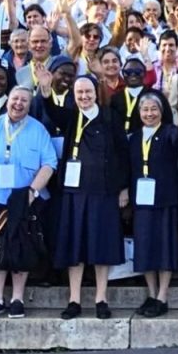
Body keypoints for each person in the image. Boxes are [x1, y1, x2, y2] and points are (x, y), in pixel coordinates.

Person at [0, 86, 57, 319]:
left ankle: (17, 298)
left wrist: (33, 190)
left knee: (20, 247)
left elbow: (49, 164)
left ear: (29, 105)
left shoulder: (38, 130)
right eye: (15, 99)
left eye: (24, 100)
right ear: (7, 102)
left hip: (23, 198)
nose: (18, 103)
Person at [54, 75, 127, 319]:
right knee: (75, 244)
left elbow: (123, 153)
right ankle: (74, 299)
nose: (84, 97)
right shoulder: (71, 117)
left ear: (96, 93)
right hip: (75, 191)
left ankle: (101, 298)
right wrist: (44, 89)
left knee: (101, 244)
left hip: (104, 191)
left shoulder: (109, 117)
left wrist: (124, 187)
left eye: (88, 92)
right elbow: (50, 110)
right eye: (79, 93)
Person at [128, 89, 178, 317]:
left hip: (165, 198)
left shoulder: (169, 131)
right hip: (142, 200)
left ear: (161, 111)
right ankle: (151, 294)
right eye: (145, 109)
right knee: (145, 247)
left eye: (154, 109)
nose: (149, 113)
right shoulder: (133, 137)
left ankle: (162, 296)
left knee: (165, 247)